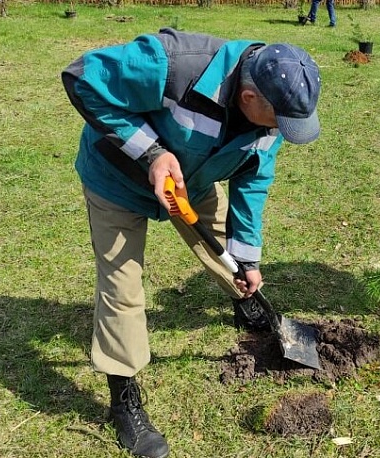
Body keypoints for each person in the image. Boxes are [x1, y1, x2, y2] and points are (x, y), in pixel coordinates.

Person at [62, 28, 321, 458]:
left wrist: (248, 258)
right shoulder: (172, 63)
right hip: (117, 180)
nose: (281, 131)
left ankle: (247, 301)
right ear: (250, 98)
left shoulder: (268, 115)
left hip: (192, 182)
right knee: (122, 289)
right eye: (279, 120)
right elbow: (82, 78)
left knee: (230, 251)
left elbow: (253, 179)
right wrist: (151, 153)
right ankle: (123, 394)